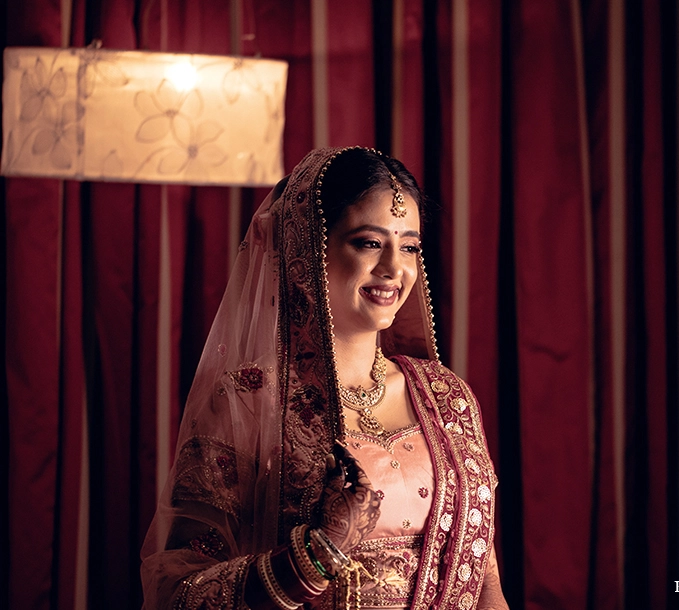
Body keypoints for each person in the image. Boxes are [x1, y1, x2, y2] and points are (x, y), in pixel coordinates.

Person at [140, 147, 509, 610]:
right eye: (369, 243)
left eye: (410, 247)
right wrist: (314, 555)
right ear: (308, 251)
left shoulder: (446, 396)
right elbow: (180, 593)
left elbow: (484, 576)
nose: (394, 268)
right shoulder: (248, 401)